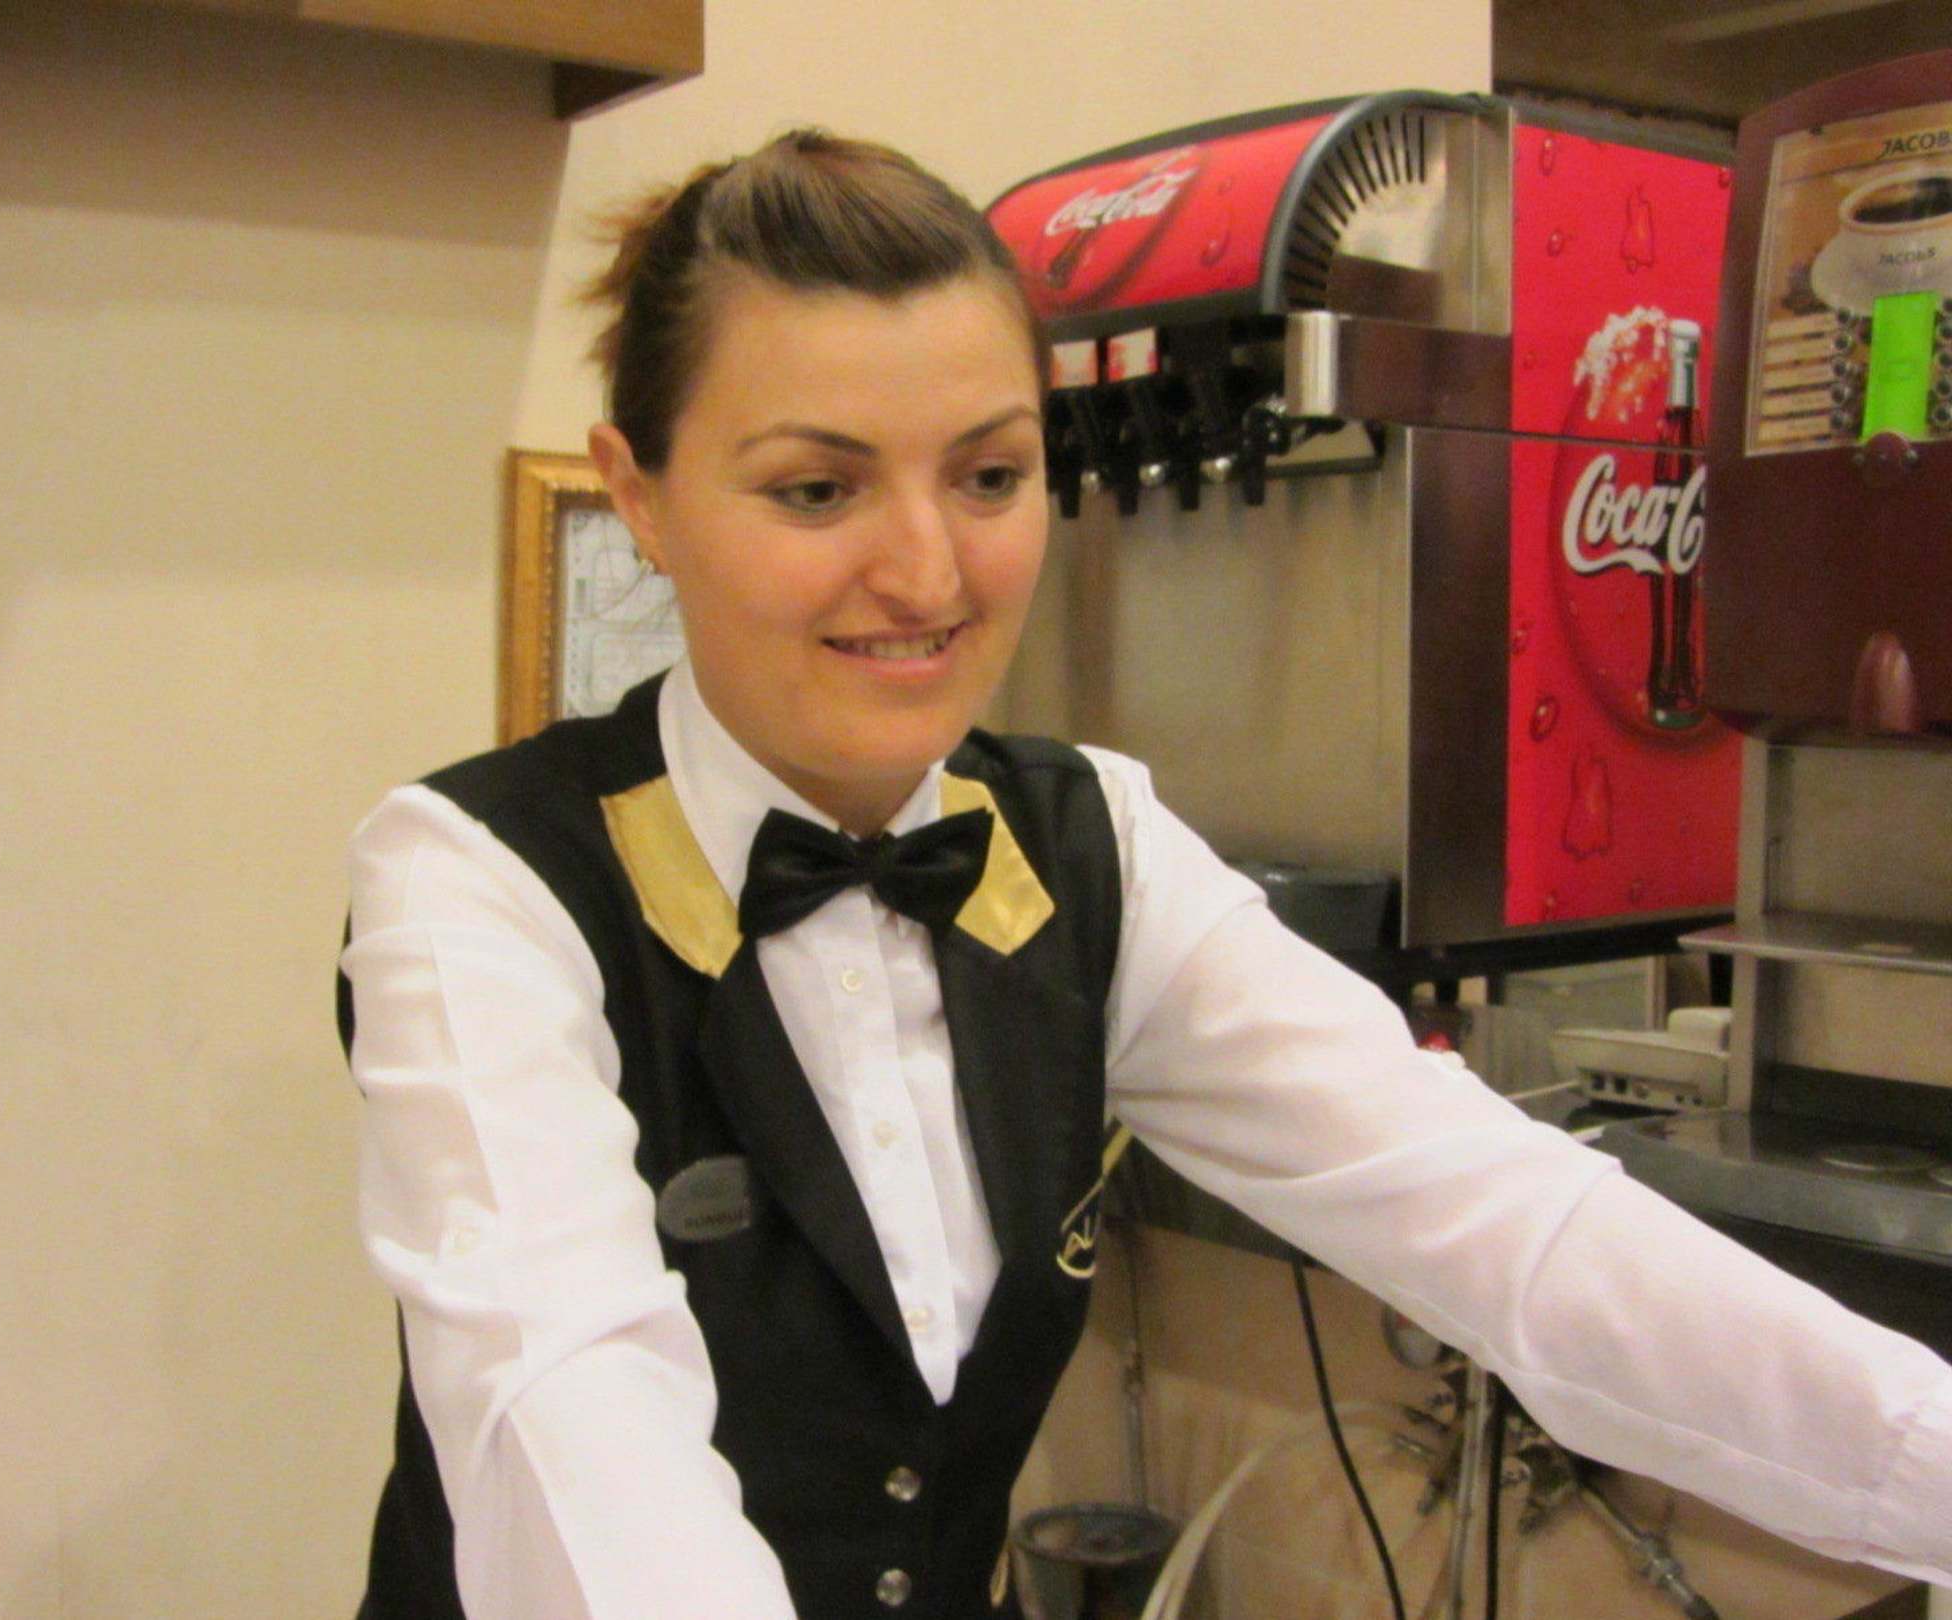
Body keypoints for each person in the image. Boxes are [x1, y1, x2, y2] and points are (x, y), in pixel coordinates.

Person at [338, 129, 1952, 1620]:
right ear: (641, 495)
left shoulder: (1087, 846)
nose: (927, 572)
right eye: (817, 489)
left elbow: (1511, 1222)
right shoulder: (478, 885)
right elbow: (569, 1416)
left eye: (989, 475)